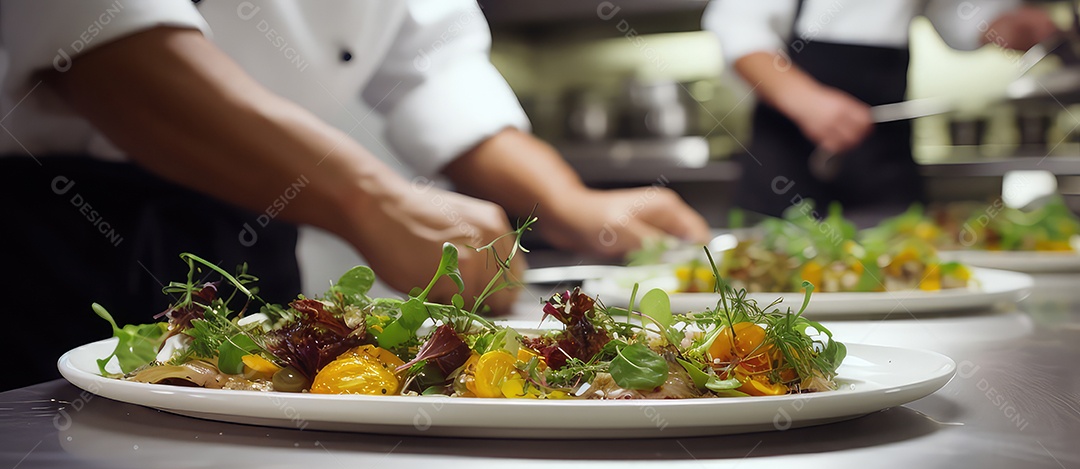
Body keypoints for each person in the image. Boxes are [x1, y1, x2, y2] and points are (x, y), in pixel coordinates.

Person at [0, 0, 710, 390]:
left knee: (248, 467)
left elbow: (434, 68)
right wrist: (371, 200)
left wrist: (572, 202)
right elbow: (98, 39)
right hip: (56, 231)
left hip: (257, 217)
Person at [703, 0, 1059, 219]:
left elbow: (960, 17)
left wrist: (1003, 27)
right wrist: (807, 101)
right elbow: (737, 26)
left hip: (884, 166)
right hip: (787, 165)